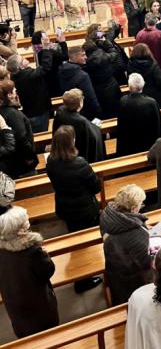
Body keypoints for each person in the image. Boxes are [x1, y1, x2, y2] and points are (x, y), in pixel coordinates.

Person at [46, 125, 102, 293]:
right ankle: (84, 277)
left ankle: (80, 275)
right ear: (71, 143)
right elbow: (96, 186)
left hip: (65, 206)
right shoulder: (79, 163)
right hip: (84, 209)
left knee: (75, 239)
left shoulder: (51, 161)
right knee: (87, 242)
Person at [0, 205, 58, 338]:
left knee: (25, 331)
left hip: (14, 302)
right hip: (37, 304)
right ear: (20, 230)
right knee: (46, 335)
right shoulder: (31, 251)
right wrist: (43, 253)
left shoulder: (2, 249)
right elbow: (48, 270)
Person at [99, 184, 152, 305]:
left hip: (113, 266)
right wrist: (160, 238)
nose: (141, 207)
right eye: (140, 204)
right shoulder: (136, 234)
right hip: (131, 278)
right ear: (133, 208)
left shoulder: (107, 215)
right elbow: (148, 260)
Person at [7, 47, 53, 133]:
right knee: (40, 136)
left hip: (27, 113)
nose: (25, 58)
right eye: (23, 59)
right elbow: (45, 68)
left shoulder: (13, 78)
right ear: (20, 66)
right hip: (38, 113)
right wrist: (46, 49)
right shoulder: (29, 75)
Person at [117, 73, 161, 157]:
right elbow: (159, 125)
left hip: (130, 146)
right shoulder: (151, 102)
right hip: (149, 145)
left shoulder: (123, 101)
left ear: (129, 86)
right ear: (143, 85)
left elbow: (121, 126)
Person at [53, 89, 105, 162]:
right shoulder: (82, 121)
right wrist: (96, 128)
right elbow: (94, 137)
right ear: (80, 103)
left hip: (63, 148)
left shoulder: (60, 111)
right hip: (79, 152)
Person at [0, 80, 37, 178]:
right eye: (14, 90)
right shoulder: (13, 114)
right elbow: (22, 138)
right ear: (9, 95)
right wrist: (29, 157)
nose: (16, 91)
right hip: (22, 165)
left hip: (10, 163)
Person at [58, 46, 102, 120]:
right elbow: (90, 97)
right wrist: (98, 110)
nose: (86, 57)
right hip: (84, 113)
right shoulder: (82, 76)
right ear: (75, 57)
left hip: (68, 110)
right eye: (83, 55)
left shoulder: (61, 70)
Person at [82, 40, 121, 119]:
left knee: (102, 115)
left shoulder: (86, 64)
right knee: (115, 113)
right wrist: (107, 43)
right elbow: (114, 53)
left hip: (98, 92)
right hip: (112, 88)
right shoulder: (106, 56)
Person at [127, 43, 161, 109]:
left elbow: (129, 79)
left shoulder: (130, 64)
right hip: (153, 96)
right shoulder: (153, 65)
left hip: (137, 97)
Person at [32, 29, 68, 97]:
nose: (48, 38)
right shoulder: (47, 51)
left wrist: (57, 41)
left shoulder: (37, 49)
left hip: (47, 81)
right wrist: (63, 42)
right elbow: (65, 56)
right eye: (46, 37)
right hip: (55, 80)